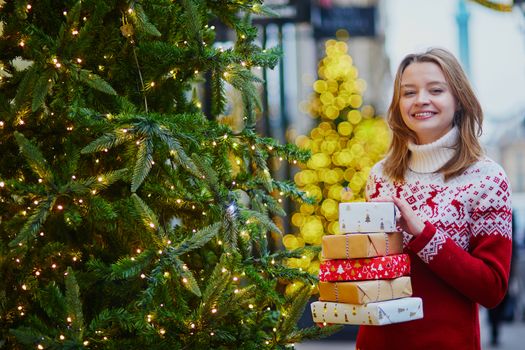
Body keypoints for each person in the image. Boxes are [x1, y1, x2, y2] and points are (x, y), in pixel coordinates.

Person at [357, 48, 513, 350]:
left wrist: (424, 235)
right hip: (376, 341)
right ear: (398, 104)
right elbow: (372, 269)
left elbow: (492, 289)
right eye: (409, 92)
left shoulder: (486, 179)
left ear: (458, 100)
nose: (420, 100)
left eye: (436, 90)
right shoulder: (381, 176)